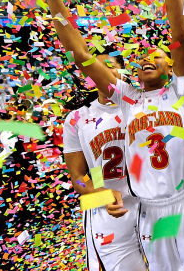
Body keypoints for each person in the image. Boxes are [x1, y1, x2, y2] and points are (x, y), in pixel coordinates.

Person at [29, 0, 184, 271]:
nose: (148, 58)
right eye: (144, 56)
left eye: (158, 56)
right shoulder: (127, 97)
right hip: (148, 210)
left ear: (171, 68)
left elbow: (179, 36)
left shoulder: (181, 91)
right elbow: (80, 51)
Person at [63, 48, 146, 271]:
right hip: (106, 212)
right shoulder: (77, 118)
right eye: (93, 67)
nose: (99, 72)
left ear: (123, 72)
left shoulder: (144, 105)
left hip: (153, 205)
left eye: (108, 65)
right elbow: (78, 178)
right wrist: (99, 194)